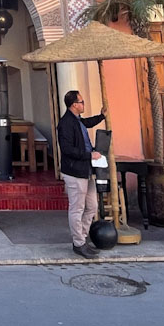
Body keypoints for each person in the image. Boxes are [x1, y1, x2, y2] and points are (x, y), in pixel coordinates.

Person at [57, 90, 105, 259]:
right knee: (77, 208)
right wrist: (89, 155)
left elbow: (87, 123)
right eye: (82, 101)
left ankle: (82, 238)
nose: (83, 104)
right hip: (75, 170)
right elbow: (67, 149)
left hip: (85, 169)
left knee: (92, 206)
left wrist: (101, 116)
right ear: (74, 105)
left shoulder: (77, 121)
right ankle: (78, 243)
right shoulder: (65, 123)